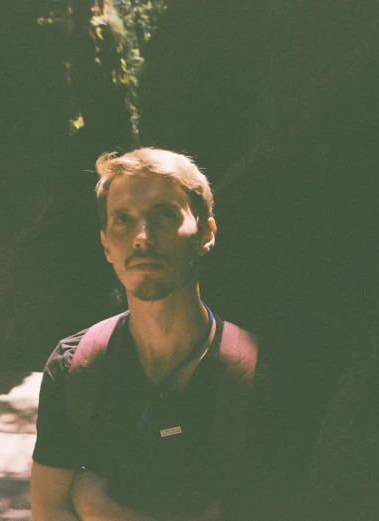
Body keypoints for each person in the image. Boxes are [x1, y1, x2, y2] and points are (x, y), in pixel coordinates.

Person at [31, 148, 263, 521]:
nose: (142, 238)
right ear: (105, 243)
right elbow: (50, 510)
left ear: (206, 233)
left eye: (165, 215)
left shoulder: (256, 371)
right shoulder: (75, 365)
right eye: (123, 219)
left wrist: (103, 510)